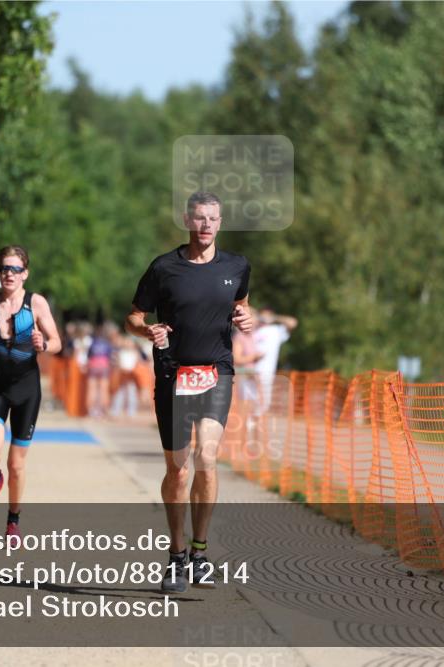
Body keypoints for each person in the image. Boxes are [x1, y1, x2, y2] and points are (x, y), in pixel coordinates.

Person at [125, 191, 254, 593]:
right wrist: (146, 330)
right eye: (199, 218)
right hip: (172, 374)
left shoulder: (237, 266)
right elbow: (133, 315)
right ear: (186, 219)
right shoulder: (165, 268)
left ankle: (200, 554)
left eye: (212, 219)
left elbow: (241, 304)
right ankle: (176, 556)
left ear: (220, 222)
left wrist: (246, 316)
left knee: (207, 456)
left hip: (217, 371)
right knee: (178, 470)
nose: (205, 226)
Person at [0, 245, 61, 540]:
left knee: (16, 463)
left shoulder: (36, 304)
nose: (9, 274)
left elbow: (57, 342)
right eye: (4, 269)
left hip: (26, 388)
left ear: (25, 274)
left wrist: (43, 346)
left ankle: (13, 521)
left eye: (15, 269)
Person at [252, 308, 298, 414]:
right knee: (250, 400)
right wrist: (259, 317)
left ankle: (251, 425)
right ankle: (248, 425)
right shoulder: (253, 328)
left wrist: (275, 318)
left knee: (264, 403)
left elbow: (293, 322)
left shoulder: (276, 330)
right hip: (249, 370)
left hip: (267, 371)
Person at [85, 323, 114, 418]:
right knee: (103, 390)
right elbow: (110, 358)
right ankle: (102, 411)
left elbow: (88, 356)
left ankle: (91, 411)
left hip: (93, 365)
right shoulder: (108, 343)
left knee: (92, 389)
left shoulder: (92, 343)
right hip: (104, 366)